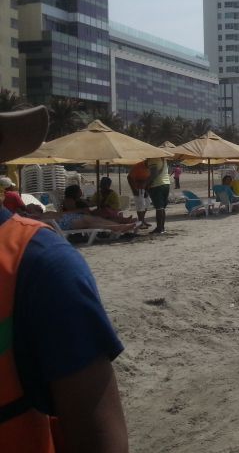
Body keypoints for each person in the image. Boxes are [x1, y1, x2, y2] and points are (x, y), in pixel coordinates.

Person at [0, 105, 129, 451]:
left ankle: (122, 225)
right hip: (71, 220)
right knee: (93, 219)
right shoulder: (45, 262)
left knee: (96, 218)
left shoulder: (40, 266)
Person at [146, 157, 170, 234]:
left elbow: (154, 173)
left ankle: (159, 228)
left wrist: (146, 184)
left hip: (157, 185)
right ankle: (162, 227)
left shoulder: (153, 159)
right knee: (162, 208)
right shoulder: (163, 159)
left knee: (159, 208)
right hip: (166, 183)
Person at [127, 161, 151, 229]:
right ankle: (141, 222)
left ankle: (142, 220)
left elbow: (148, 179)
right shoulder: (138, 166)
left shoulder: (151, 167)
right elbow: (129, 177)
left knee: (147, 203)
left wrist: (147, 189)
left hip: (145, 189)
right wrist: (134, 189)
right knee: (140, 205)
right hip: (138, 188)